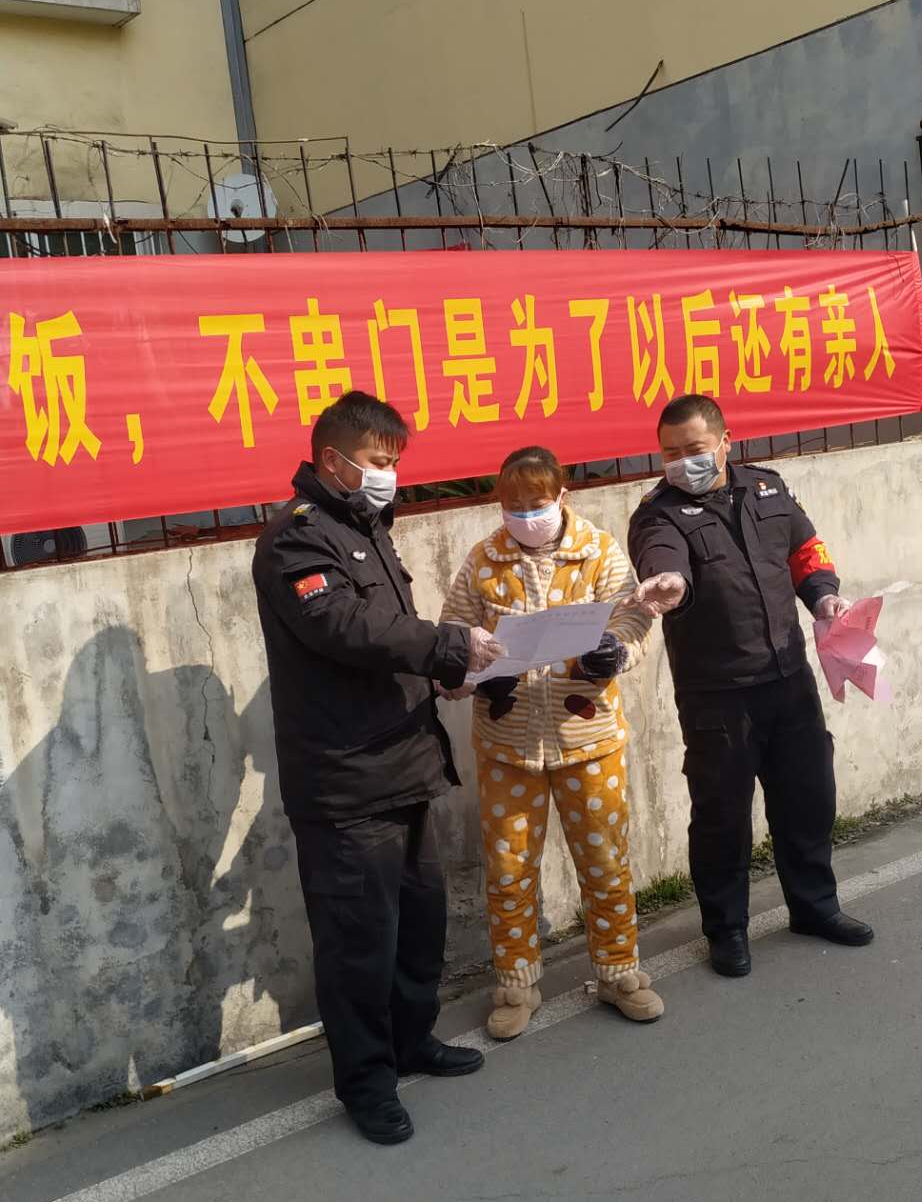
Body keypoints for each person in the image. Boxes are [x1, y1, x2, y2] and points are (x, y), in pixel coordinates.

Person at [251, 390, 505, 1146]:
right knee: (359, 945)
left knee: (419, 925)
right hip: (346, 781)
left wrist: (444, 673)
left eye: (394, 461)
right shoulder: (296, 540)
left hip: (405, 761)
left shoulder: (365, 529)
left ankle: (411, 1039)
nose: (388, 474)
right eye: (376, 461)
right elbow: (344, 626)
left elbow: (390, 641)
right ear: (333, 459)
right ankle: (366, 1082)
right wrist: (448, 645)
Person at [628, 393, 873, 978]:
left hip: (789, 678)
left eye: (693, 449)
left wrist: (824, 596)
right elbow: (663, 558)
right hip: (717, 695)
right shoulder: (658, 514)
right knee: (722, 816)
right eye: (669, 452)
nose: (681, 462)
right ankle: (727, 930)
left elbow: (805, 551)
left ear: (724, 443)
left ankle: (814, 907)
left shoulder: (768, 489)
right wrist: (669, 581)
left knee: (808, 798)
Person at [440, 446, 662, 1040]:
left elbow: (634, 615)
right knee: (509, 869)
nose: (524, 514)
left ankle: (619, 972)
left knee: (605, 860)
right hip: (507, 743)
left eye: (535, 502)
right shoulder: (483, 560)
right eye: (512, 504)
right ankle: (516, 984)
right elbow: (452, 633)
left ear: (562, 496)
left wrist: (617, 651)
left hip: (588, 737)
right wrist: (477, 670)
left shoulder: (599, 551)